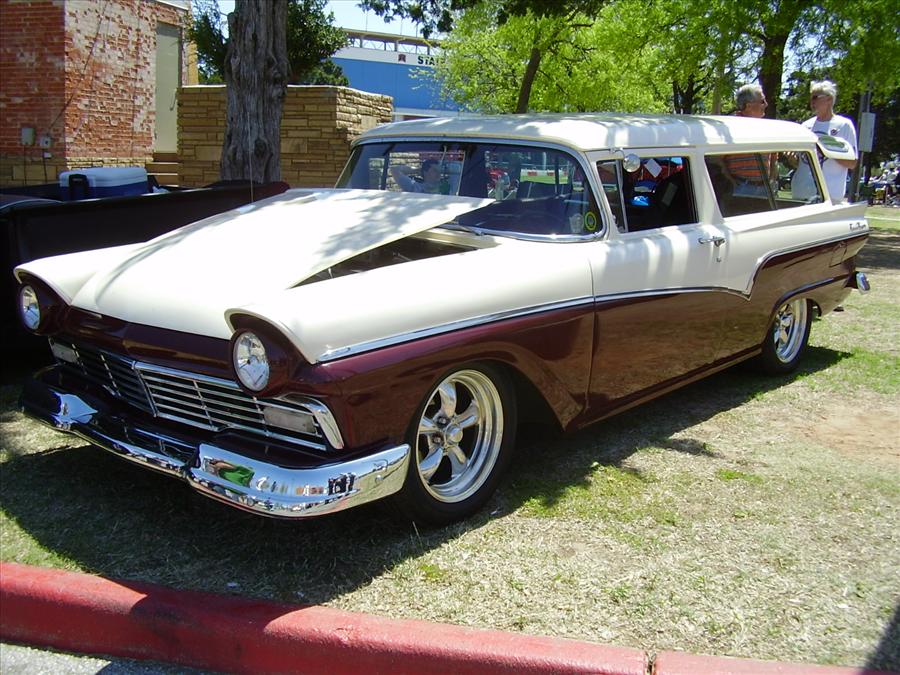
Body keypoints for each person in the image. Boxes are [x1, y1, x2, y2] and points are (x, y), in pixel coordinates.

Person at [792, 80, 858, 202]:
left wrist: (828, 152)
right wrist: (792, 159)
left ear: (829, 99)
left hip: (829, 195)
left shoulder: (844, 125)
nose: (812, 102)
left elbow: (852, 163)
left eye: (815, 98)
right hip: (802, 193)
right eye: (811, 98)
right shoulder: (806, 126)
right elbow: (801, 162)